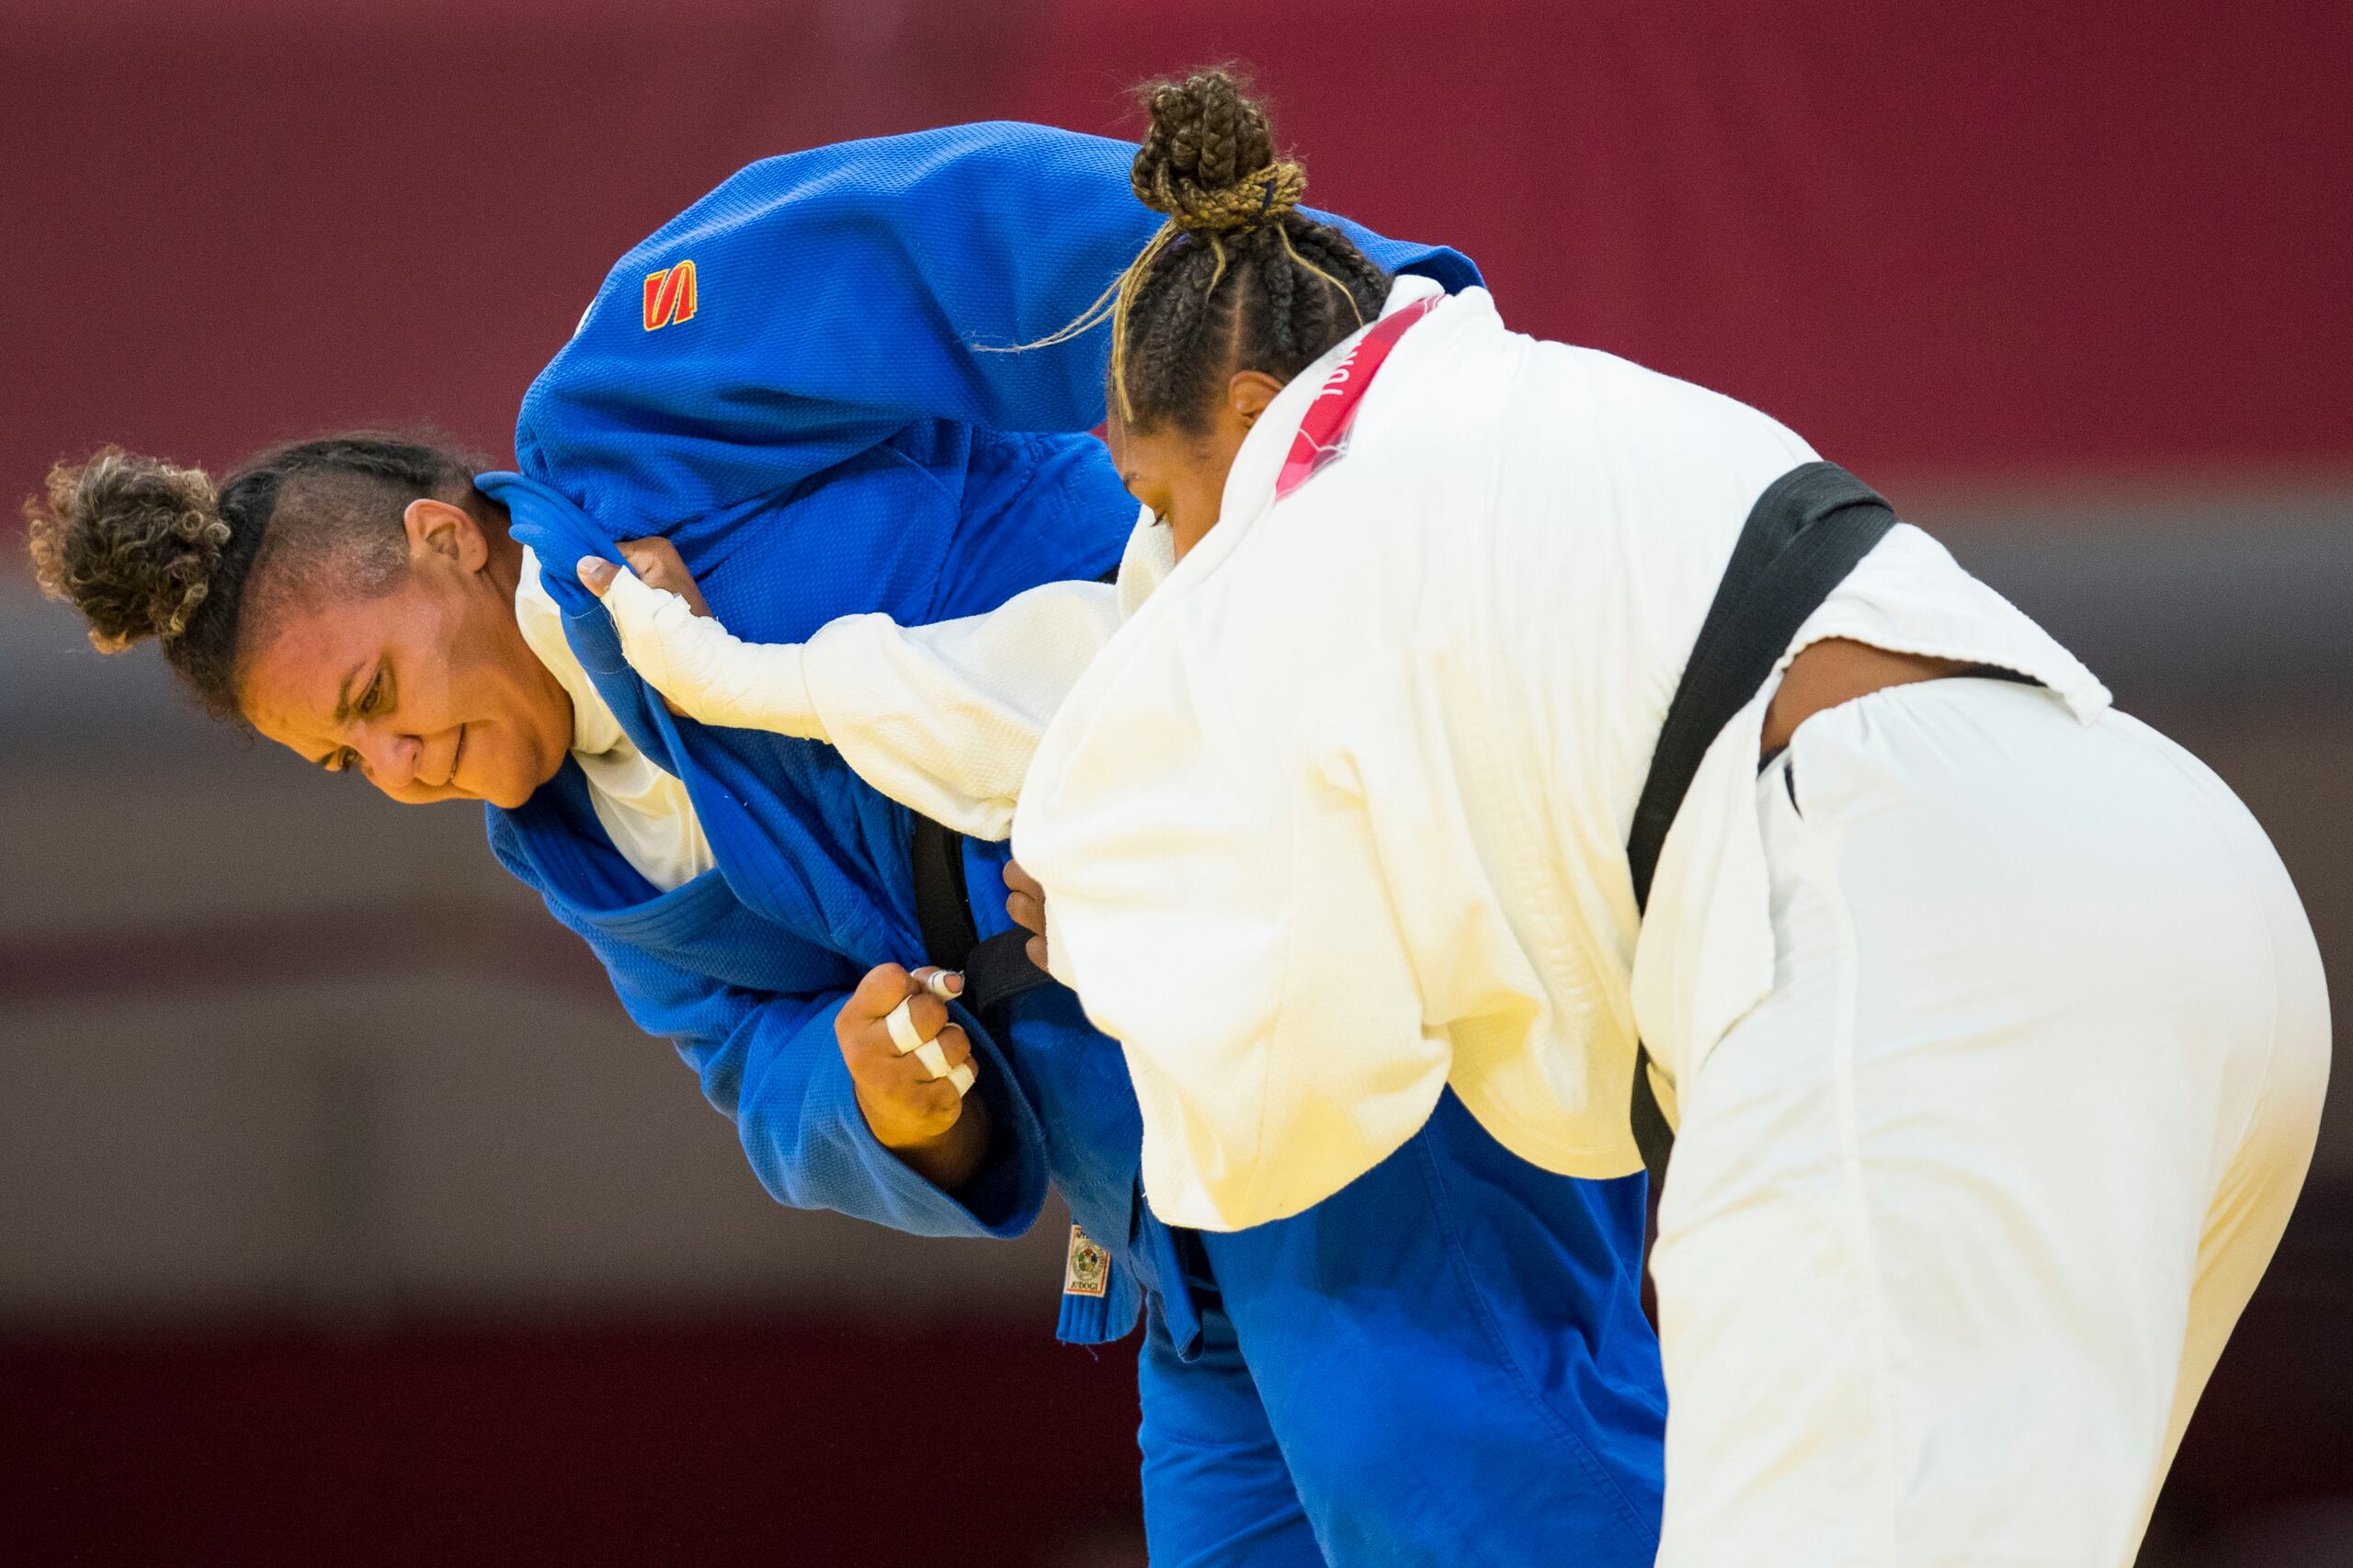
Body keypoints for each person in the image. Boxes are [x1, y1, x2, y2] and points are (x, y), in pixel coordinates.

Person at [585, 71, 2331, 1568]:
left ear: (1245, 423)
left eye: (1147, 493)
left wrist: (1097, 918)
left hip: (1907, 941)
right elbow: (1027, 688)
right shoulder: (1491, 399)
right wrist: (703, 663)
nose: (1155, 549)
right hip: (2177, 892)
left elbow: (1294, 1098)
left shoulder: (1296, 536)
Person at [24, 117, 1667, 1565]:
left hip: (1336, 1000)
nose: (396, 759)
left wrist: (1354, 343)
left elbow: (973, 240)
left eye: (377, 688)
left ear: (446, 539)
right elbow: (762, 1076)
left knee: (1478, 1508)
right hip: (1176, 1220)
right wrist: (888, 1099)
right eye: (343, 756)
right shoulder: (581, 851)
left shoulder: (640, 390)